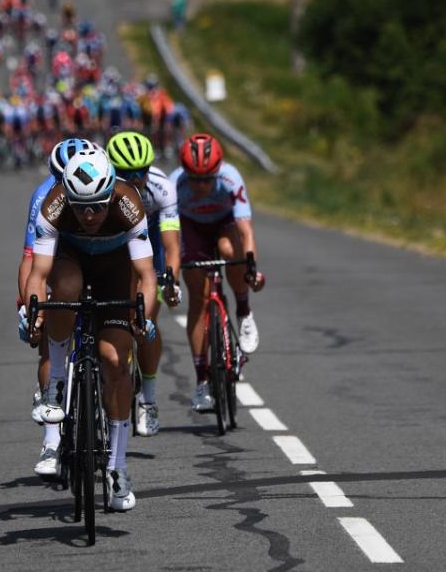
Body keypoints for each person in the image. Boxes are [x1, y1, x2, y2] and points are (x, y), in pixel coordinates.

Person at [23, 148, 158, 512]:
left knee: (114, 359)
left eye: (98, 206)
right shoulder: (55, 203)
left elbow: (146, 275)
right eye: (81, 207)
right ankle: (54, 389)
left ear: (110, 193)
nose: (89, 215)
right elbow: (38, 273)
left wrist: (143, 318)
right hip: (72, 260)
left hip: (116, 271)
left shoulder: (128, 201)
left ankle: (118, 467)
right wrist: (33, 311)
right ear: (68, 195)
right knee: (63, 289)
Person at [16, 138, 101, 477]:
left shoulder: (102, 188)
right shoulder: (45, 198)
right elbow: (29, 261)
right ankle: (51, 442)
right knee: (51, 345)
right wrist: (28, 306)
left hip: (98, 258)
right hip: (58, 256)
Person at [169, 133, 265, 412]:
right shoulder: (175, 184)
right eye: (195, 179)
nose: (201, 185)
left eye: (207, 179)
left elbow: (246, 230)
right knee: (197, 297)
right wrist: (171, 274)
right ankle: (202, 381)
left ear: (218, 171)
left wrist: (250, 268)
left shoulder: (230, 178)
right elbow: (170, 235)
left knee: (229, 251)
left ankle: (244, 311)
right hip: (192, 228)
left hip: (224, 224)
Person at [105, 131, 181, 437]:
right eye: (127, 173)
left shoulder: (162, 189)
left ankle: (148, 398)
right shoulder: (102, 188)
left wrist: (171, 280)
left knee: (144, 321)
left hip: (150, 246)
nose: (136, 179)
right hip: (115, 247)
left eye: (142, 172)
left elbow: (172, 245)